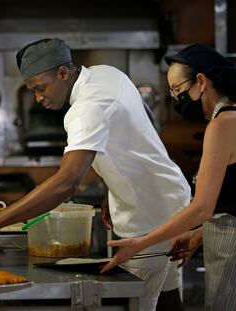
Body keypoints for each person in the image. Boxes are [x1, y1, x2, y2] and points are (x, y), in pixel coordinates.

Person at [0, 38, 191, 311]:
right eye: (31, 91)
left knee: (136, 302)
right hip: (174, 201)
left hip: (148, 218)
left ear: (63, 73)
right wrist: (110, 186)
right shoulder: (107, 73)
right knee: (168, 296)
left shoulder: (85, 109)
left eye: (41, 88)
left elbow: (66, 182)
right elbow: (143, 121)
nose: (38, 98)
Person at [100, 43, 236, 311]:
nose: (176, 99)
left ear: (200, 81)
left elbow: (201, 207)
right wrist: (200, 234)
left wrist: (141, 243)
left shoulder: (223, 124)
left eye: (177, 90)